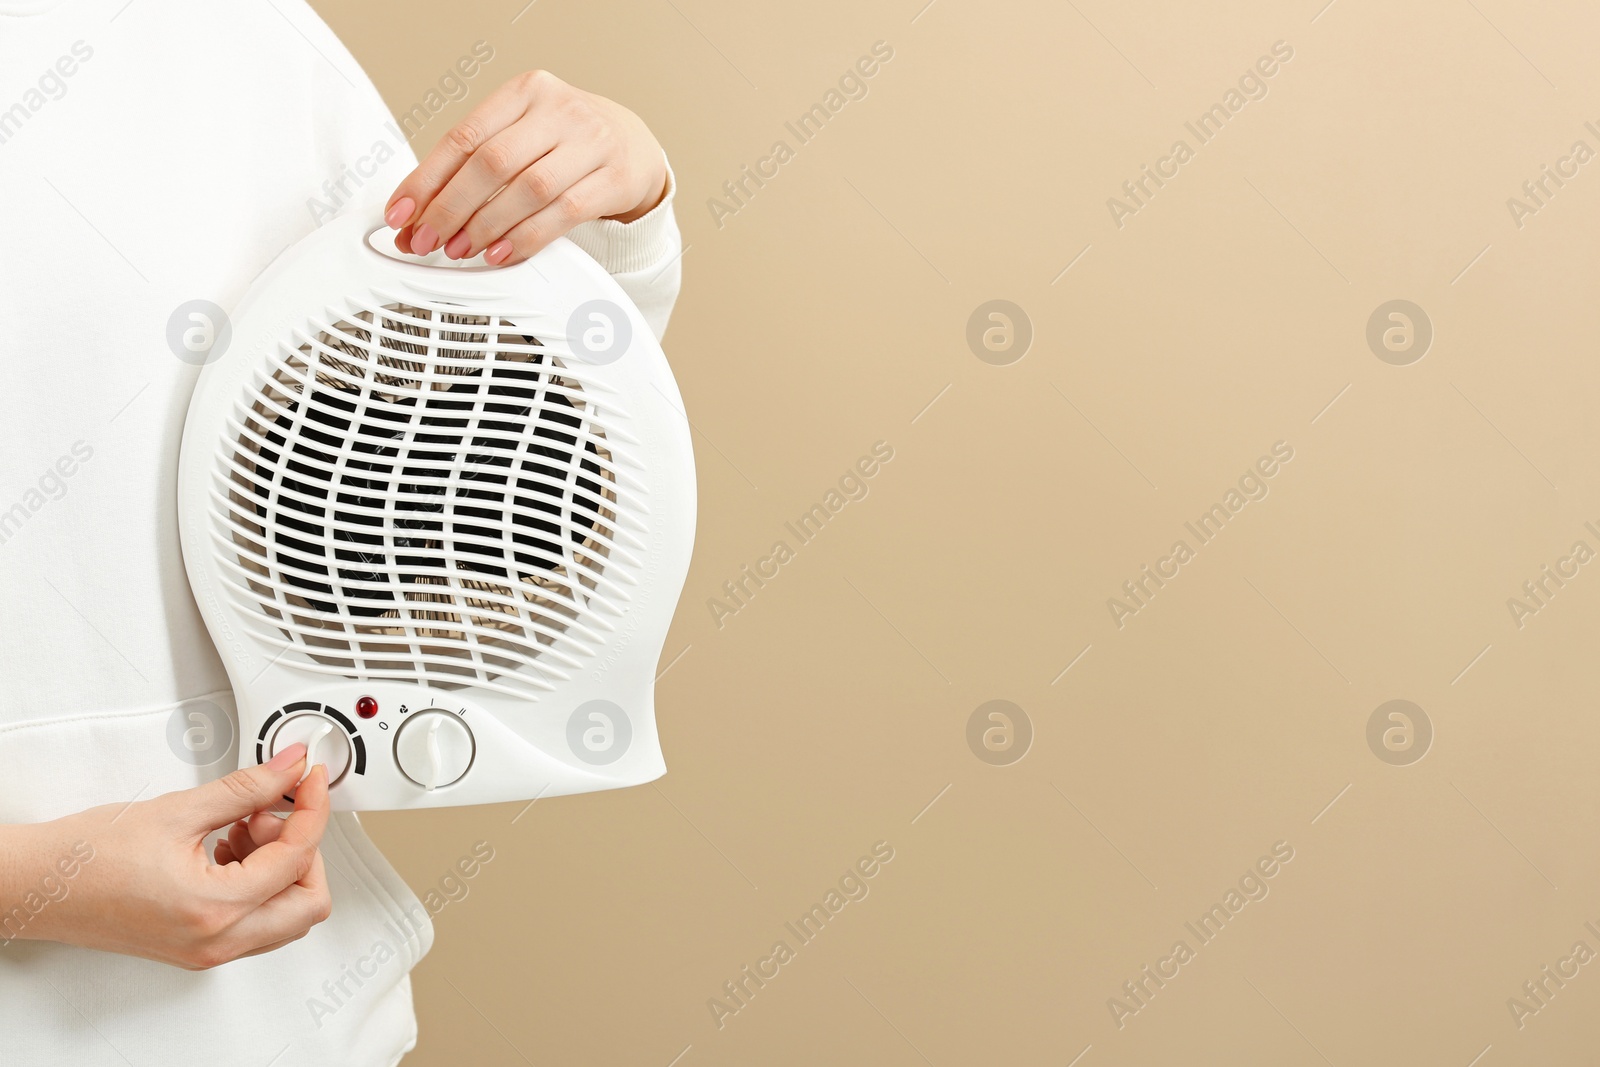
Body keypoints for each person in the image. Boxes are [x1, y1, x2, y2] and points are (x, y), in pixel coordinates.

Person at [0, 2, 683, 1063]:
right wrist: (24, 885)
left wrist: (615, 212)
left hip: (286, 1021)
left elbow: (463, 481)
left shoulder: (232, 40)